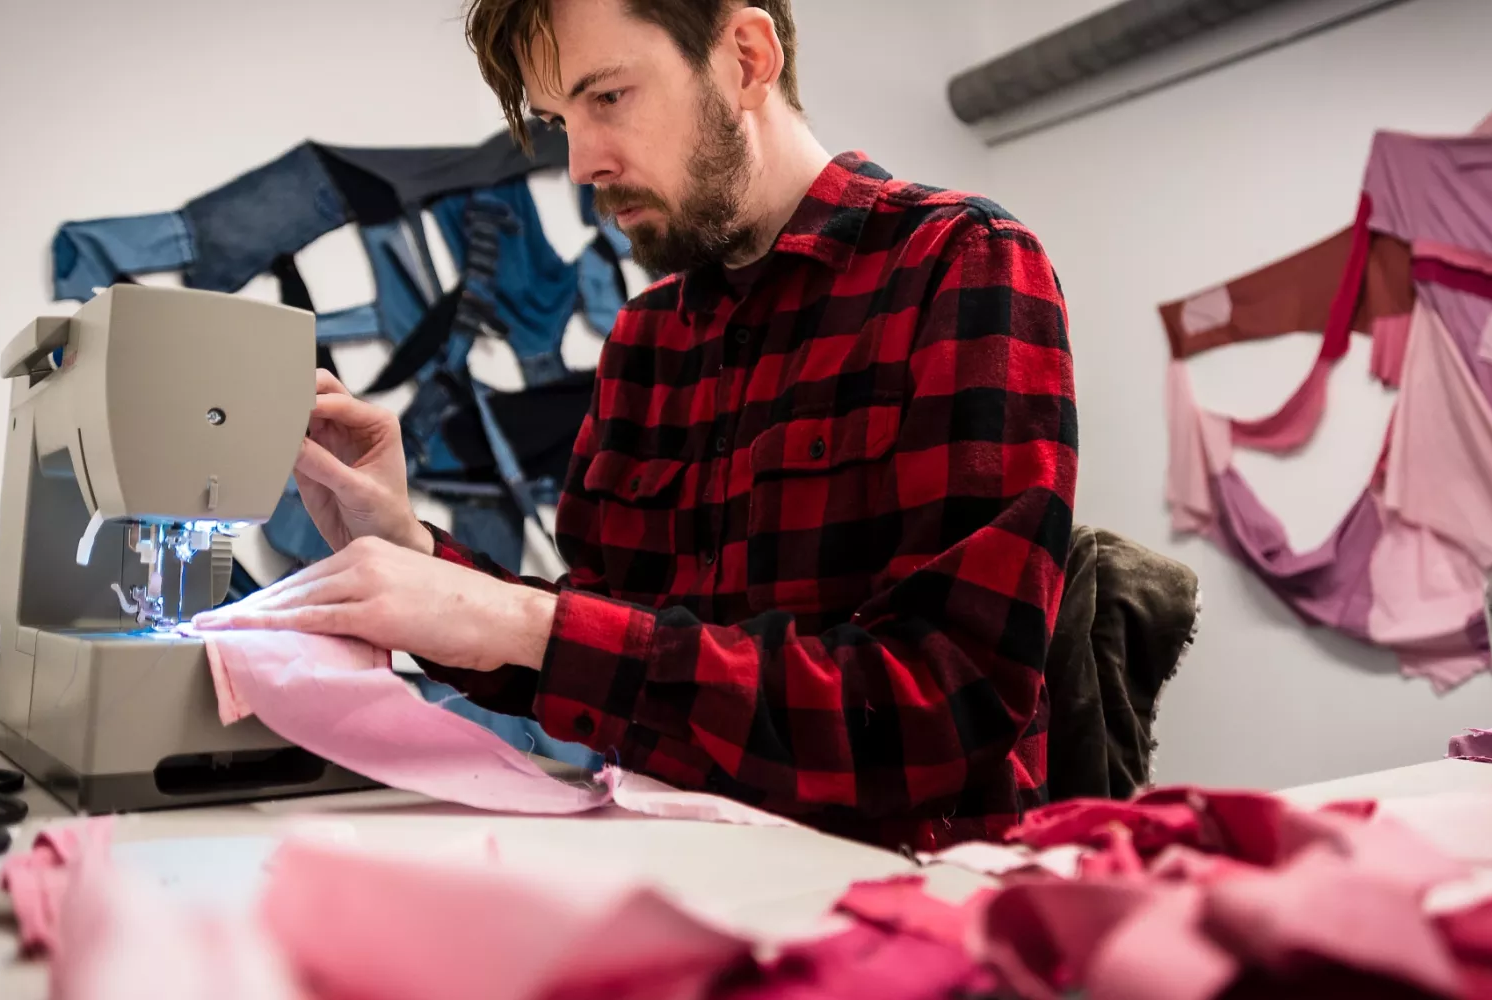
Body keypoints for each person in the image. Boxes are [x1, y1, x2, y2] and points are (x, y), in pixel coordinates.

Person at [193, 0, 1078, 851]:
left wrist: (530, 623)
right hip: (676, 861)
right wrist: (407, 551)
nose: (581, 165)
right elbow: (600, 655)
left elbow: (942, 708)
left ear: (746, 59)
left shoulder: (960, 263)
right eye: (559, 121)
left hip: (899, 886)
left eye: (609, 97)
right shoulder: (649, 337)